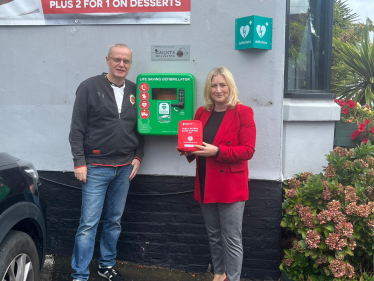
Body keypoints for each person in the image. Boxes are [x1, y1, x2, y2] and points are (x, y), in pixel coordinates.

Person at [69, 43, 144, 281]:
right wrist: (79, 161)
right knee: (88, 224)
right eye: (117, 59)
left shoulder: (136, 90)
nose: (122, 64)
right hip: (95, 168)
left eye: (126, 61)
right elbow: (77, 128)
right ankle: (79, 274)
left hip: (123, 169)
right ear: (108, 60)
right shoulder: (89, 87)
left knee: (114, 221)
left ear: (131, 64)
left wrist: (138, 156)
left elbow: (142, 128)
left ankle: (106, 265)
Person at [178, 67, 256, 281]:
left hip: (230, 184)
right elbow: (197, 145)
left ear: (230, 87)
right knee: (213, 235)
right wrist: (187, 150)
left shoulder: (243, 112)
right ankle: (219, 273)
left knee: (231, 238)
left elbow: (248, 150)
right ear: (209, 88)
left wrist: (218, 151)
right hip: (205, 181)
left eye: (223, 85)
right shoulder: (202, 113)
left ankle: (233, 277)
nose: (218, 89)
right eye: (214, 85)